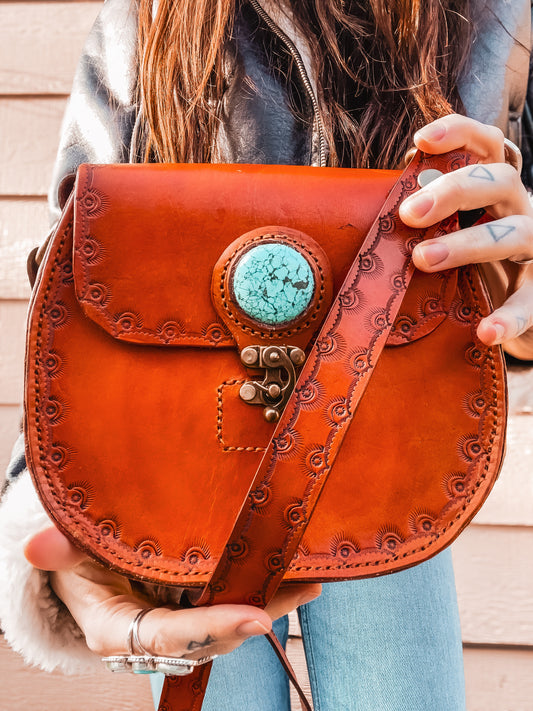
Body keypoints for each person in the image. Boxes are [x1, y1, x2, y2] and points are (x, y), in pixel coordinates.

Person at [1, 1, 532, 709]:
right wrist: (54, 511)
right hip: (182, 466)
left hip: (395, 445)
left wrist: (515, 307)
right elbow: (73, 296)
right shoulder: (150, 15)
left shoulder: (503, 17)